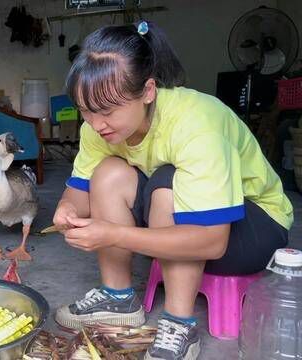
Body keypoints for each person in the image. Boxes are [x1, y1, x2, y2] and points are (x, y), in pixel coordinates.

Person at [53, 21, 292, 360]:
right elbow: (80, 189)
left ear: (148, 91)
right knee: (107, 173)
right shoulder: (97, 128)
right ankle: (118, 297)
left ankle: (180, 323)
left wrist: (112, 234)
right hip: (185, 222)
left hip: (255, 227)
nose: (96, 123)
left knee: (167, 182)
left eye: (107, 111)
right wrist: (67, 208)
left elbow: (212, 240)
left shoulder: (196, 123)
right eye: (86, 111)